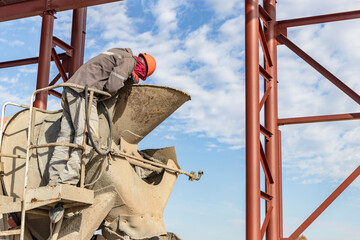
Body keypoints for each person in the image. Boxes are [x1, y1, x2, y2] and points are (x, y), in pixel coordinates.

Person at [47, 48, 156, 186]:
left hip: (70, 89)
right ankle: (66, 184)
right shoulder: (130, 61)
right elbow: (113, 86)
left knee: (65, 140)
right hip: (84, 94)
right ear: (143, 70)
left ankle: (53, 182)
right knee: (88, 140)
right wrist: (126, 80)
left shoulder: (119, 53)